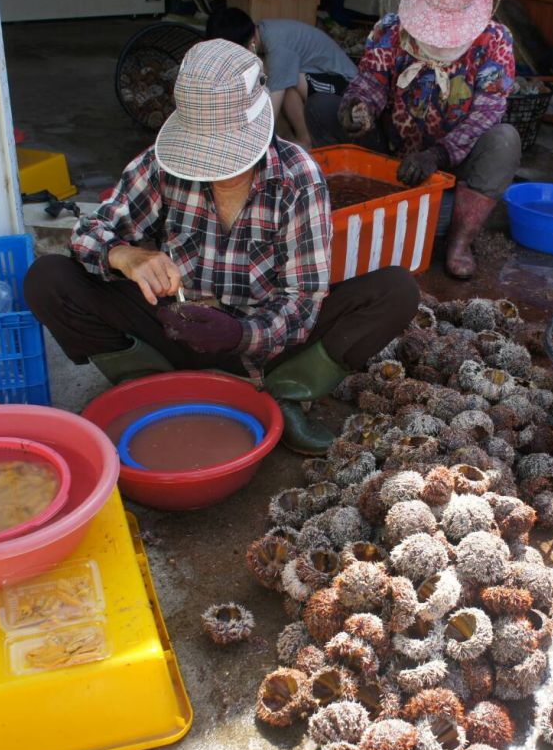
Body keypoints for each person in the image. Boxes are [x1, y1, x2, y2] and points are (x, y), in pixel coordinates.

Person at [24, 39, 418, 455]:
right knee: (48, 278)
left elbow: (302, 304)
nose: (220, 172)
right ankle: (145, 384)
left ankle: (284, 394)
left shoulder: (299, 178)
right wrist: (125, 256)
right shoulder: (161, 165)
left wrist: (239, 334)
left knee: (396, 290)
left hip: (264, 345)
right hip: (174, 327)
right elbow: (88, 232)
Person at [307, 0, 521, 280]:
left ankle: (458, 242)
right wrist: (359, 107)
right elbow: (371, 78)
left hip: (454, 164)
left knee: (505, 141)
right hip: (391, 151)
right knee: (322, 107)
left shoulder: (495, 39)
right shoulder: (391, 29)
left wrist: (438, 155)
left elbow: (486, 114)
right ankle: (350, 214)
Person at [206, 7, 359, 149]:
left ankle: (305, 141)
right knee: (276, 76)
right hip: (315, 75)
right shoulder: (262, 32)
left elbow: (271, 109)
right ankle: (292, 138)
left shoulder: (278, 47)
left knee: (284, 79)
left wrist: (249, 142)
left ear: (251, 43)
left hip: (346, 84)